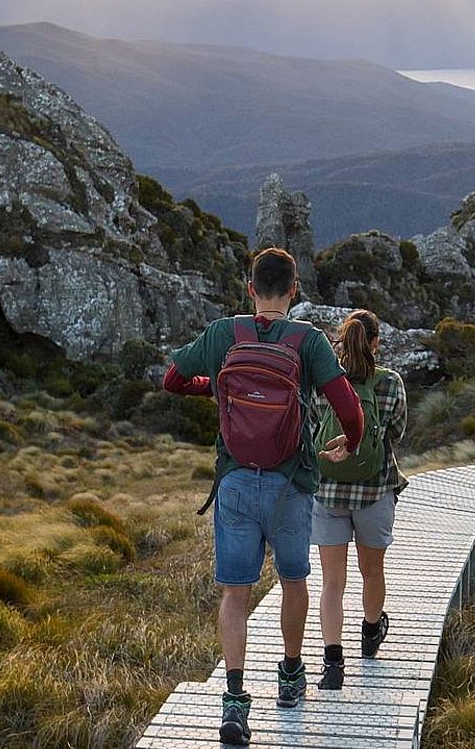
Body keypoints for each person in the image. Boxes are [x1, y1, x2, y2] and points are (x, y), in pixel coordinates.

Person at [161, 248, 365, 747]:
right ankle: (291, 677)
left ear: (250, 288)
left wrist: (217, 389)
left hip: (233, 481)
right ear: (294, 291)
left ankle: (233, 702)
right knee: (294, 579)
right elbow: (347, 407)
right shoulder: (309, 341)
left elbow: (172, 379)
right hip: (291, 484)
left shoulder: (223, 333)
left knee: (236, 593)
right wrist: (352, 440)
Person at [308, 309, 408, 691]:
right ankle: (370, 633)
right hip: (374, 492)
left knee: (332, 582)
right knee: (372, 572)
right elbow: (394, 435)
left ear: (342, 340)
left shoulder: (323, 382)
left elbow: (314, 429)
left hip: (328, 491)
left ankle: (333, 664)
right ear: (376, 342)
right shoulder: (390, 383)